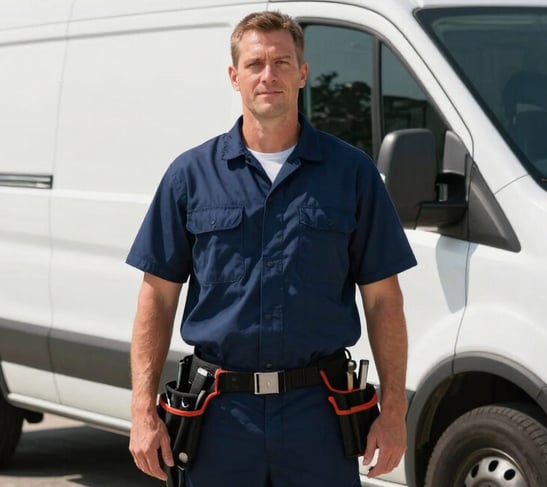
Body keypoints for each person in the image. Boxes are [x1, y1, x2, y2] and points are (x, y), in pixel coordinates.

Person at [126, 10, 416, 487]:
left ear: (303, 73)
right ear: (234, 76)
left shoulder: (352, 174)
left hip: (319, 417)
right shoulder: (190, 176)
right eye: (256, 63)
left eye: (282, 62)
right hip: (220, 417)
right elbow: (156, 296)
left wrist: (394, 412)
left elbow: (384, 298)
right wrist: (142, 411)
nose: (269, 75)